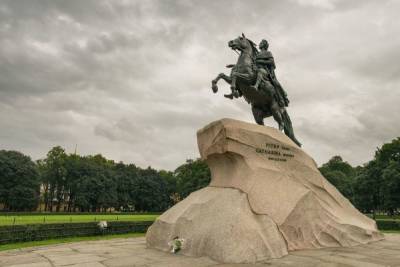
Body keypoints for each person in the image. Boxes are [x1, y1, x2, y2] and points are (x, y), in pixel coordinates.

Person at [251, 39, 289, 107]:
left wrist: (260, 61)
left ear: (264, 45)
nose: (259, 44)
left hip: (265, 71)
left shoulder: (268, 53)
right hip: (256, 69)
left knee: (275, 83)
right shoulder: (257, 54)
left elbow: (272, 62)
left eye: (261, 43)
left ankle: (283, 96)